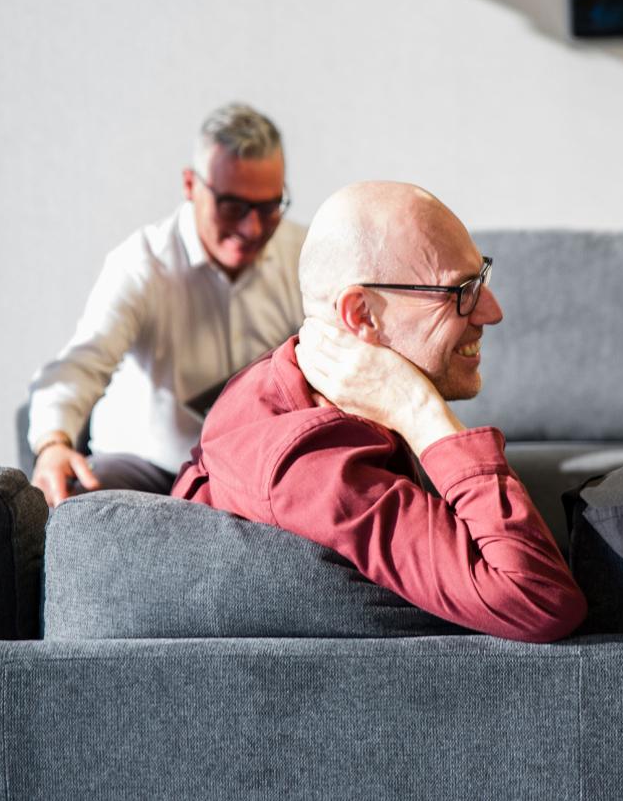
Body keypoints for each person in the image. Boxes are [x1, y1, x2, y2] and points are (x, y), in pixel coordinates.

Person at [170, 181, 587, 642]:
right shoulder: (312, 465)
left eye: (481, 276)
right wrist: (419, 410)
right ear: (362, 314)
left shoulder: (283, 376)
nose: (492, 311)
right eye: (461, 291)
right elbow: (539, 599)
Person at [26, 103, 305, 507]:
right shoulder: (141, 263)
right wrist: (52, 443)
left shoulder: (303, 254)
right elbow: (82, 361)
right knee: (81, 501)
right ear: (191, 185)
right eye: (232, 207)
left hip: (256, 473)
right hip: (148, 468)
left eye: (268, 207)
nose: (252, 228)